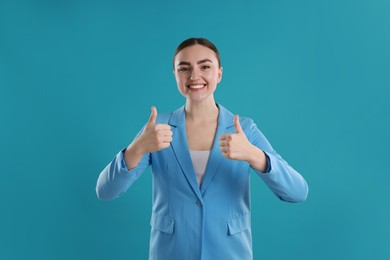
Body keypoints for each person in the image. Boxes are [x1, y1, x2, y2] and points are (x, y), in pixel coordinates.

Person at [96, 38, 309, 260]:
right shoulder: (157, 128)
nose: (194, 76)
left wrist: (254, 155)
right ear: (176, 75)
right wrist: (137, 148)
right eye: (184, 68)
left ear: (219, 74)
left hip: (229, 253)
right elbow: (105, 191)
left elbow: (298, 192)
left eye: (205, 66)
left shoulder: (244, 129)